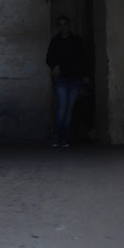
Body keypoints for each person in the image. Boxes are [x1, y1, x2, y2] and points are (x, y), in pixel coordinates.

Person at [45, 14, 86, 148]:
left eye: (65, 24)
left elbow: (82, 59)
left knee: (68, 110)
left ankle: (63, 138)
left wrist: (84, 76)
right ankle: (57, 136)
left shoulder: (77, 41)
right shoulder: (55, 41)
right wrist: (54, 66)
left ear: (69, 25)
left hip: (74, 79)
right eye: (61, 25)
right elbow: (49, 58)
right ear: (59, 26)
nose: (63, 27)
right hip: (61, 79)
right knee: (62, 107)